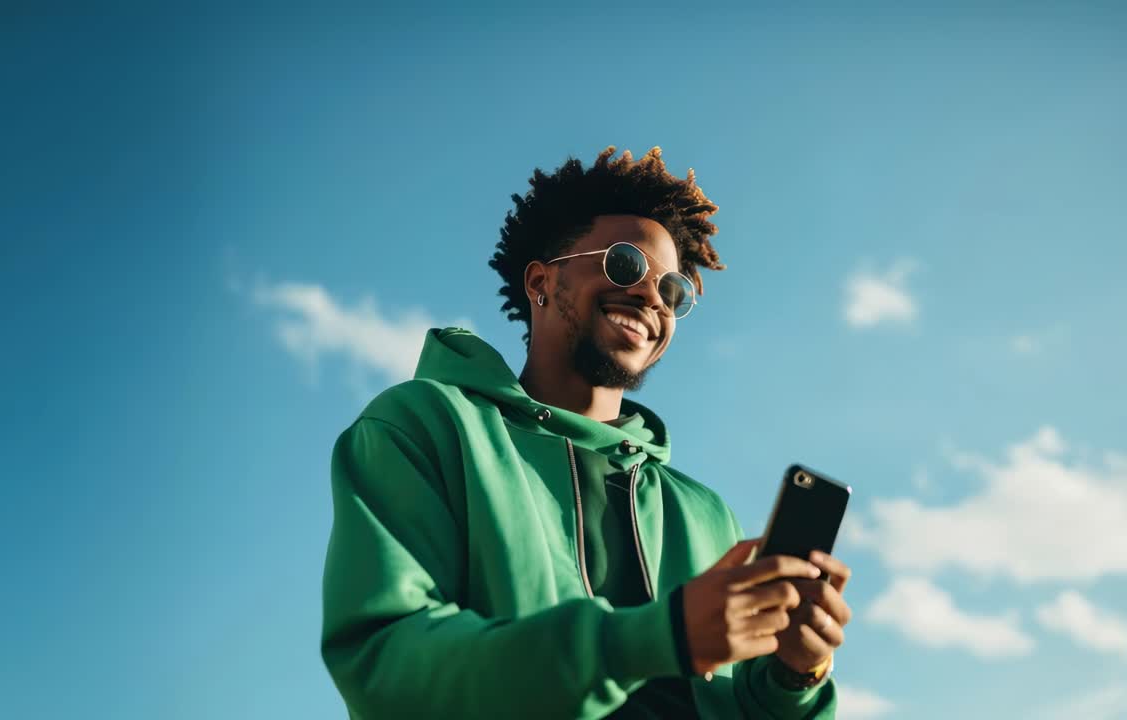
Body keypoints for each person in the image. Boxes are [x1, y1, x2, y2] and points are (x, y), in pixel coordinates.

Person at [321, 146, 853, 719]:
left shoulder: (704, 515)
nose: (653, 297)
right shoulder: (426, 427)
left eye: (674, 291)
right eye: (625, 264)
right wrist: (653, 639)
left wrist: (795, 679)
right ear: (540, 281)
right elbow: (386, 667)